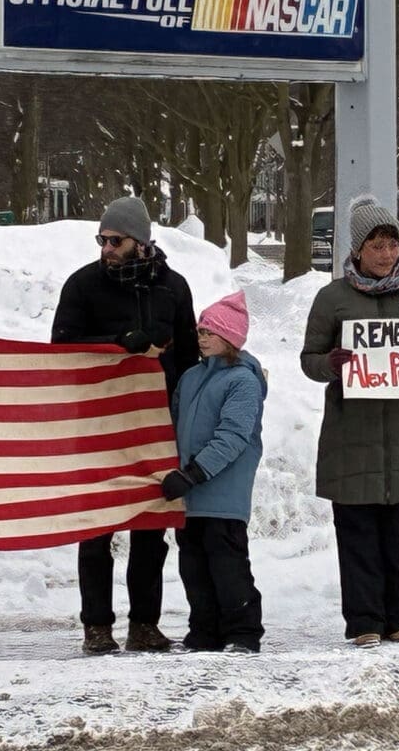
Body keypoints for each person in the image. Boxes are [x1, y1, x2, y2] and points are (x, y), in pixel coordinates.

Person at [300, 194, 399, 648]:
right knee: (359, 538)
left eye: (392, 244)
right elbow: (308, 360)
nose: (387, 254)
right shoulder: (333, 298)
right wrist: (331, 362)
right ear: (358, 249)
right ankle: (364, 621)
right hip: (353, 437)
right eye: (377, 245)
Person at [51, 195, 198, 654]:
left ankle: (145, 624)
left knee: (150, 532)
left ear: (141, 242)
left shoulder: (173, 287)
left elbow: (189, 355)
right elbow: (61, 348)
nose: (107, 247)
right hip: (98, 422)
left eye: (115, 240)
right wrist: (117, 343)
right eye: (102, 239)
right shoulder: (82, 286)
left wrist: (184, 414)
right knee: (96, 530)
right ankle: (96, 626)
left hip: (154, 425)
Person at [162, 290, 266, 653]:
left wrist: (193, 473)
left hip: (223, 494)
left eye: (209, 331)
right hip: (192, 494)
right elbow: (172, 425)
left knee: (227, 566)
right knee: (194, 567)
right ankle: (203, 631)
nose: (200, 337)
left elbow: (233, 437)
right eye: (199, 331)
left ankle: (242, 632)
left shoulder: (242, 381)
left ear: (230, 338)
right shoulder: (191, 377)